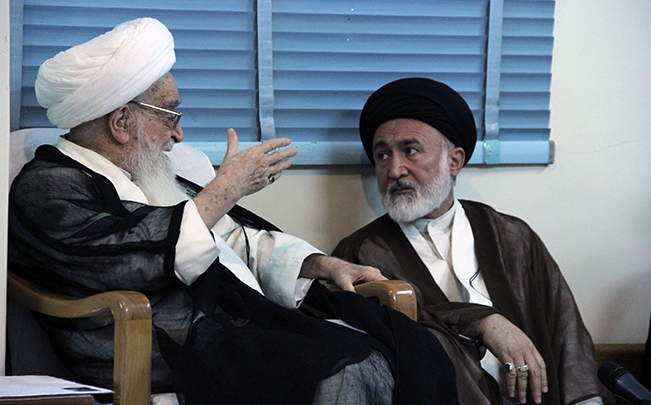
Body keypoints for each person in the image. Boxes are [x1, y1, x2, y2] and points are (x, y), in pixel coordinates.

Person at [8, 20, 458, 405]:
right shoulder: (48, 185)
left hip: (230, 325)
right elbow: (130, 260)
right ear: (122, 122)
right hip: (159, 343)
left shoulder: (147, 172)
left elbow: (231, 238)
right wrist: (226, 188)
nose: (179, 135)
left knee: (414, 346)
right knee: (347, 369)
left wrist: (321, 264)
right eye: (170, 116)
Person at [332, 77, 612, 405]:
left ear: (454, 161)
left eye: (410, 151)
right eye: (382, 155)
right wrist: (481, 321)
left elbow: (567, 334)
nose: (394, 170)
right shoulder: (359, 254)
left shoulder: (511, 236)